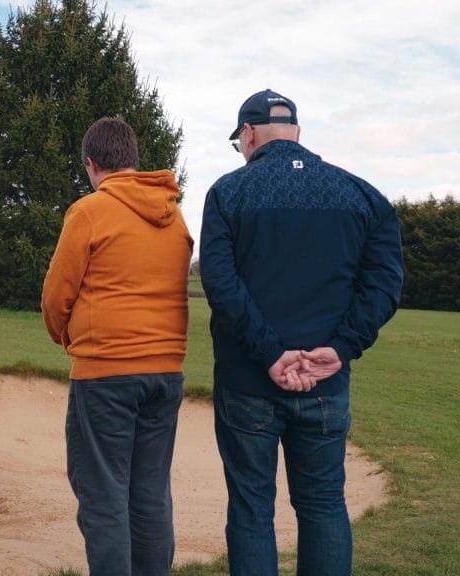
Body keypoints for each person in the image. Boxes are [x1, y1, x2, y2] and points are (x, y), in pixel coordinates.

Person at [201, 89, 404, 576]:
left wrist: (271, 352)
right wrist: (339, 348)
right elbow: (384, 285)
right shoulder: (362, 196)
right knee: (323, 505)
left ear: (248, 134)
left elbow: (221, 285)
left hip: (248, 381)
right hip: (325, 383)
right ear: (297, 133)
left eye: (240, 142)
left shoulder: (228, 193)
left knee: (252, 511)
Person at [41, 117, 193, 576]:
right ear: (132, 159)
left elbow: (55, 297)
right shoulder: (174, 212)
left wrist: (71, 340)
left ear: (91, 164)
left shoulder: (89, 211)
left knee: (104, 495)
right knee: (149, 494)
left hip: (106, 374)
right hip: (166, 372)